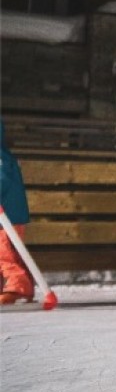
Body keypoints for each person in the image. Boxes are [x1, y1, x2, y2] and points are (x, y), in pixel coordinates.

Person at [0, 116, 34, 305]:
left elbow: (2, 181)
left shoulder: (2, 159)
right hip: (6, 217)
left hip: (9, 217)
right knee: (7, 254)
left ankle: (17, 287)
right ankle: (21, 286)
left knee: (5, 254)